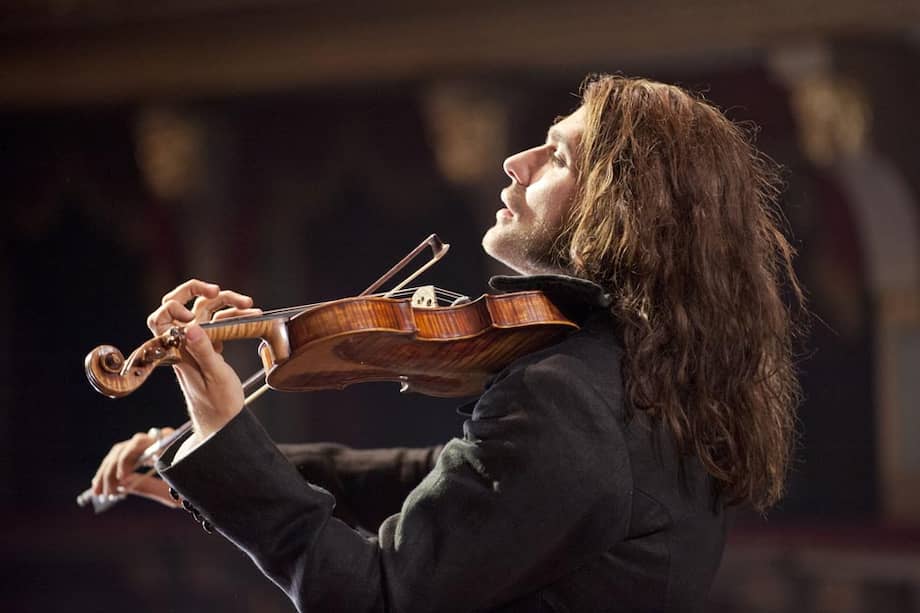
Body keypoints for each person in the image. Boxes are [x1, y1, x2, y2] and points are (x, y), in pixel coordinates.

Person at [91, 74, 804, 612]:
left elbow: (376, 595)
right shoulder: (653, 381)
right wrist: (210, 463)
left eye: (558, 156)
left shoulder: (568, 396)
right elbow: (441, 479)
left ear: (622, 207)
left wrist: (224, 435)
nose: (516, 161)